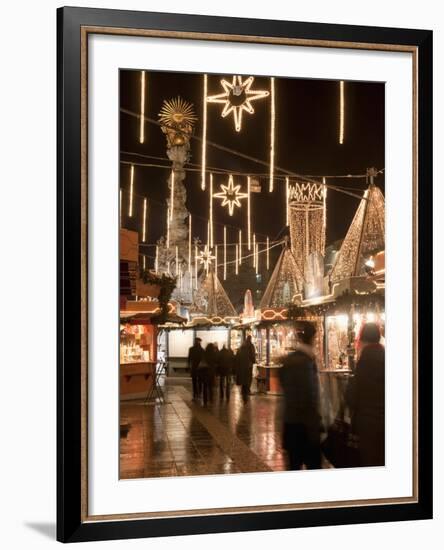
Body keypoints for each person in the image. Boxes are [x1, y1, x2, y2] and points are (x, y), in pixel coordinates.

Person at [279, 321, 322, 470]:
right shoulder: (305, 362)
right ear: (312, 339)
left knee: (293, 466)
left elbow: (285, 387)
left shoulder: (291, 360)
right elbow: (309, 396)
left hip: (291, 423)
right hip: (304, 427)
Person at [347, 322, 385, 466]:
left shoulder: (364, 361)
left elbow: (353, 396)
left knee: (370, 461)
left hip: (368, 422)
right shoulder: (386, 356)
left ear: (363, 339)